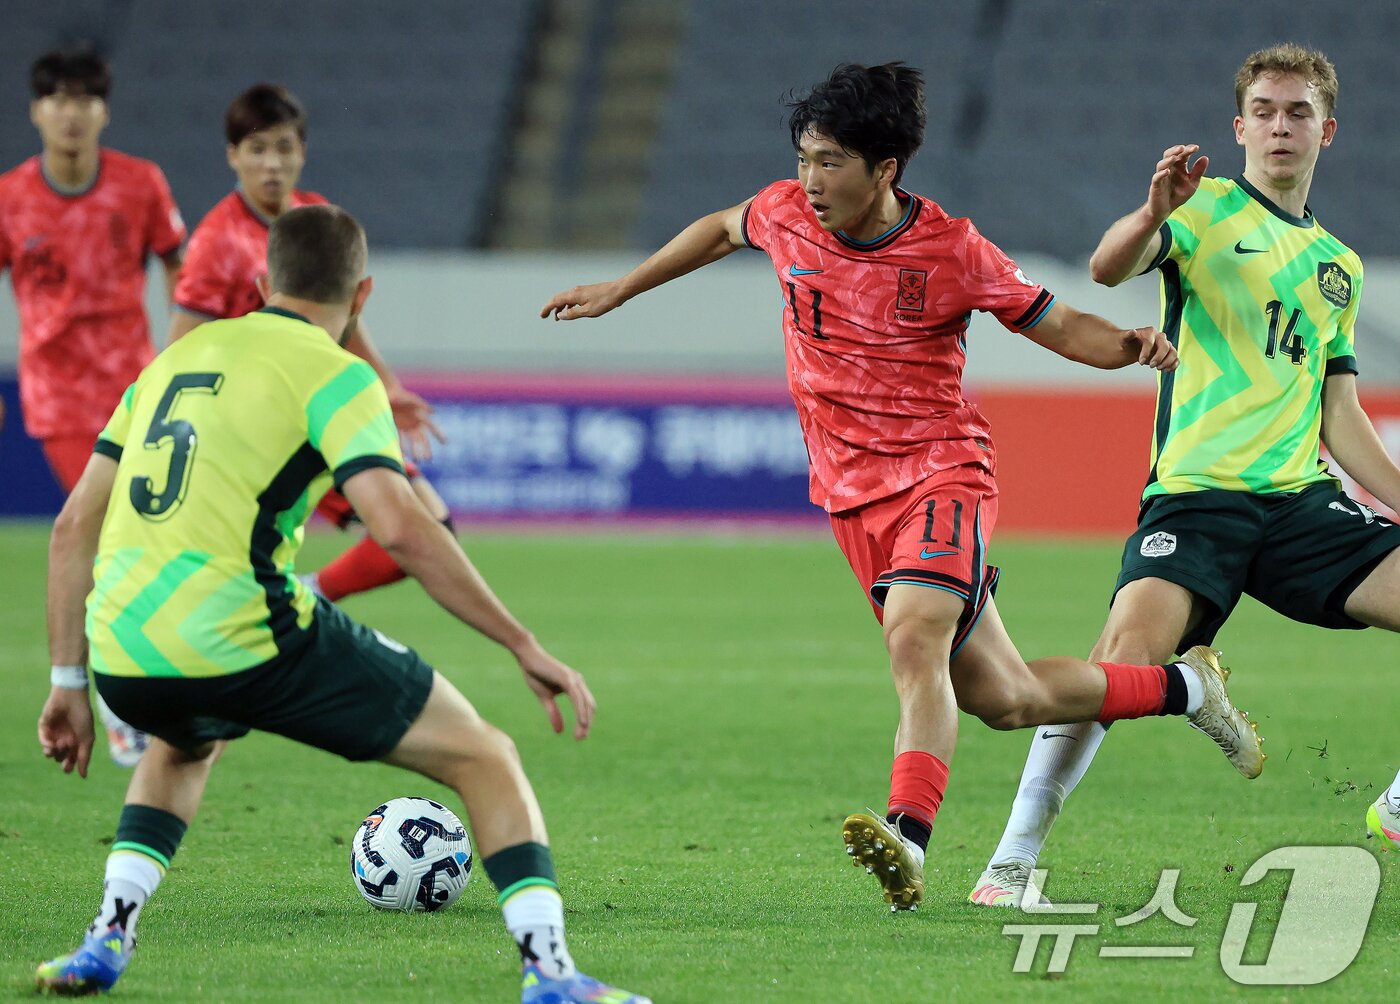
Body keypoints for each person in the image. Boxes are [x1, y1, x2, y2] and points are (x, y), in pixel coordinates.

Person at [541, 62, 1263, 912]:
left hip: (940, 474)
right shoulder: (784, 212)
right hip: (852, 500)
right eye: (806, 157)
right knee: (1008, 697)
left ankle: (907, 839)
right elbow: (720, 228)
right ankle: (1188, 689)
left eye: (832, 162)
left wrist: (1129, 344)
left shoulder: (951, 250)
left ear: (886, 170)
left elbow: (1054, 321)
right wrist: (621, 290)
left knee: (913, 638)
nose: (810, 180)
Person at [34, 205, 648, 1004]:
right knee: (486, 755)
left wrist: (68, 683)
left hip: (125, 653)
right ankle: (551, 973)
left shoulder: (174, 361)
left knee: (184, 744)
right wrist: (522, 642)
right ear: (363, 296)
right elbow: (402, 527)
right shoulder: (337, 373)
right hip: (246, 634)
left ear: (260, 283)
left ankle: (106, 938)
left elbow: (73, 524)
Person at [971, 43, 1400, 908]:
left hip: (1298, 505)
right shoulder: (1201, 210)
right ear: (1240, 127)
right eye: (1267, 112)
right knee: (1120, 662)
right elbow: (1106, 267)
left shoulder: (1340, 269)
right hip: (1198, 498)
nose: (1282, 126)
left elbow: (1340, 413)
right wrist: (1150, 209)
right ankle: (1012, 861)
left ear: (1328, 130)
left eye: (1300, 112)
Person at [168, 82, 449, 607]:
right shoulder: (215, 242)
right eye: (257, 149)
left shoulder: (314, 216)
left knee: (428, 527)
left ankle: (303, 597)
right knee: (418, 530)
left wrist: (387, 386)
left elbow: (345, 318)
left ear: (303, 152)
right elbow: (180, 352)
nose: (272, 164)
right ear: (233, 156)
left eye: (283, 147)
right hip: (260, 430)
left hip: (319, 415)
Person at [0, 48, 186, 767]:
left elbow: (179, 262)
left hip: (140, 390)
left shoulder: (139, 185)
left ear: (103, 109)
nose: (70, 111)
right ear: (35, 110)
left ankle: (137, 685)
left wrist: (185, 346)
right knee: (111, 540)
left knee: (143, 543)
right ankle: (114, 701)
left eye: (84, 98)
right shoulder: (12, 197)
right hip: (60, 397)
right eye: (56, 97)